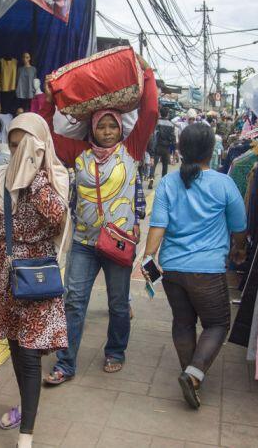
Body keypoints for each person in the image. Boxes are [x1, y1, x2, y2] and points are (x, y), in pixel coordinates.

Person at [39, 55, 158, 383]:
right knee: (74, 300)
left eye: (111, 126)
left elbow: (150, 112)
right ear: (91, 128)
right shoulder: (79, 153)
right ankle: (65, 364)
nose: (106, 131)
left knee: (119, 303)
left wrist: (147, 74)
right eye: (101, 126)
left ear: (120, 128)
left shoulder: (131, 150)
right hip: (84, 243)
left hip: (119, 243)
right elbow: (45, 135)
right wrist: (47, 101)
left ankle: (116, 350)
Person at [0, 112, 69, 448]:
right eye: (13, 145)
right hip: (3, 279)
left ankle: (26, 434)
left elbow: (58, 219)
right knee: (15, 349)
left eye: (26, 145)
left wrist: (33, 179)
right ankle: (26, 407)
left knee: (28, 356)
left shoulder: (53, 177)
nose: (19, 152)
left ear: (41, 146)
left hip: (36, 280)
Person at [141, 123, 247, 409]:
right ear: (212, 151)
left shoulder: (167, 183)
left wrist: (148, 257)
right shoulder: (224, 183)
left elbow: (158, 225)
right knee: (217, 324)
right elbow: (240, 226)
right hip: (208, 271)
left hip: (173, 269)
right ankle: (193, 375)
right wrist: (239, 249)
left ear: (180, 148)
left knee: (183, 322)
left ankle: (190, 372)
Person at [149, 108, 176, 189]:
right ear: (167, 114)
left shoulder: (157, 123)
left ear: (160, 113)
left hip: (158, 147)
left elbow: (154, 138)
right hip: (166, 148)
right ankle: (163, 184)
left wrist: (152, 151)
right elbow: (173, 138)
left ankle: (151, 180)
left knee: (153, 166)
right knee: (165, 166)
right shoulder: (171, 125)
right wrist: (173, 152)